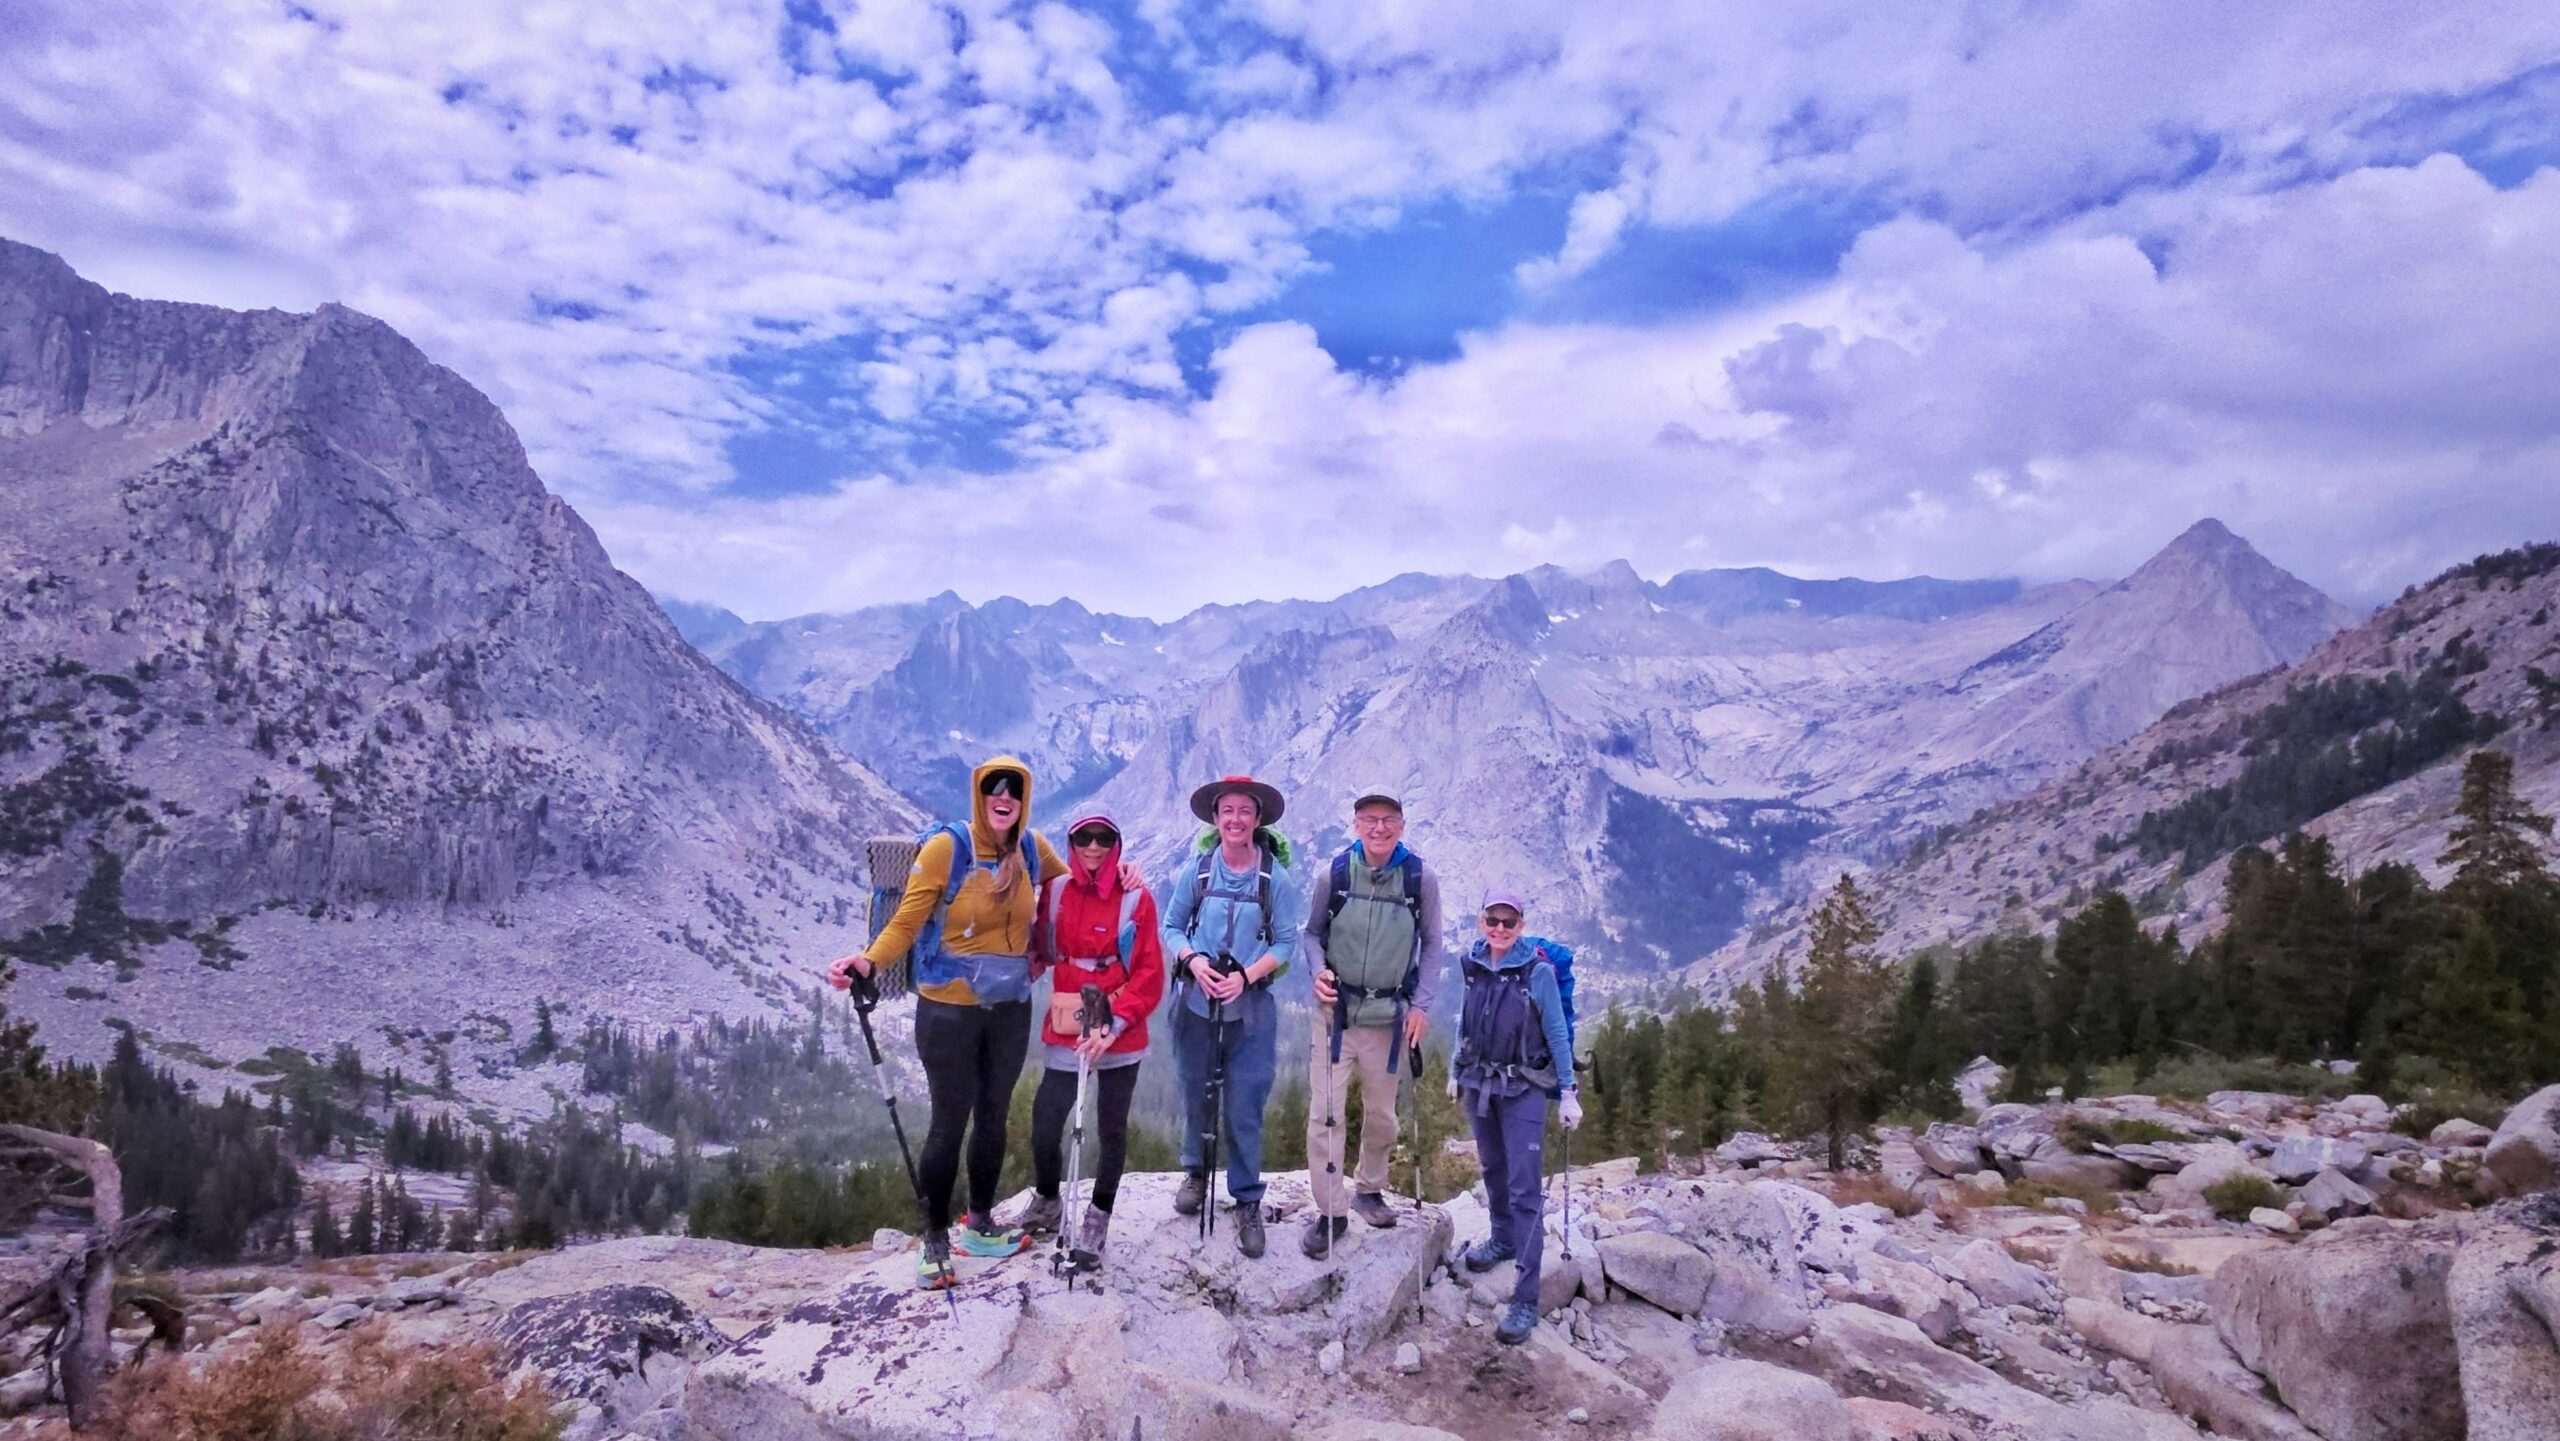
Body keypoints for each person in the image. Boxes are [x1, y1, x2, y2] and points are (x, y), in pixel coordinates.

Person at [827, 757, 1134, 1291]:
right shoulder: (947, 849)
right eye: (993, 789)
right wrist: (869, 961)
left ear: (1024, 799)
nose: (1003, 798)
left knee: (993, 1116)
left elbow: (1082, 886)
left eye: (1013, 791)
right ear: (978, 794)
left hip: (1010, 1008)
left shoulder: (1033, 850)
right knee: (950, 1120)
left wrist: (1121, 873)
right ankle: (935, 1240)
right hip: (949, 1010)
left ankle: (980, 1223)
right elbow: (909, 920)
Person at [1160, 773, 1305, 1258]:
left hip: (1252, 1007)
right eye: (1228, 811)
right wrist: (1194, 962)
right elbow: (1173, 926)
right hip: (1196, 999)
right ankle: (1196, 1173)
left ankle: (1246, 1198)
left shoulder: (1274, 879)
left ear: (1257, 819)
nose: (1236, 819)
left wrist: (1246, 975)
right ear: (1216, 818)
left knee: (1245, 1102)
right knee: (1193, 1088)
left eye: (1246, 811)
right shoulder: (1197, 872)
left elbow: (1286, 943)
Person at [1299, 787, 1445, 1258]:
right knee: (1326, 1116)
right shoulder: (1334, 874)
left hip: (1390, 1018)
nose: (1379, 827)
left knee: (1382, 1117)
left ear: (1401, 826)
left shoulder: (1420, 879)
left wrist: (1421, 1006)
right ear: (1356, 824)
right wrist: (1318, 970)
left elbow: (1433, 945)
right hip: (1335, 1016)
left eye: (1388, 820)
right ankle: (1331, 1211)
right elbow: (1311, 934)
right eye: (1369, 819)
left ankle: (1369, 1187)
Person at [1017, 807, 1165, 1271]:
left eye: (1104, 839)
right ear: (1073, 844)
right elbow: (1038, 945)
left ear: (1116, 843)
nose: (1095, 848)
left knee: (1111, 1127)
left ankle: (1099, 1215)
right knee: (1046, 1118)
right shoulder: (1056, 891)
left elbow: (1149, 971)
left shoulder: (1136, 897)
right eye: (1085, 839)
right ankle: (1047, 1198)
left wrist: (1115, 1022)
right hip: (1069, 1016)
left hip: (1119, 1020)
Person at [1452, 887, 1581, 1346]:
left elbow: (1557, 1032)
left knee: (1525, 1188)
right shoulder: (1473, 963)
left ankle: (1526, 1296)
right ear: (1481, 920)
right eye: (1493, 920)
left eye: (1509, 922)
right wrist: (1454, 1071)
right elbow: (1463, 1022)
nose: (1500, 929)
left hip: (1523, 1087)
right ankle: (1502, 1238)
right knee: (1492, 1169)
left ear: (1521, 925)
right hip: (1478, 1084)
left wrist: (1568, 1092)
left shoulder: (1538, 972)